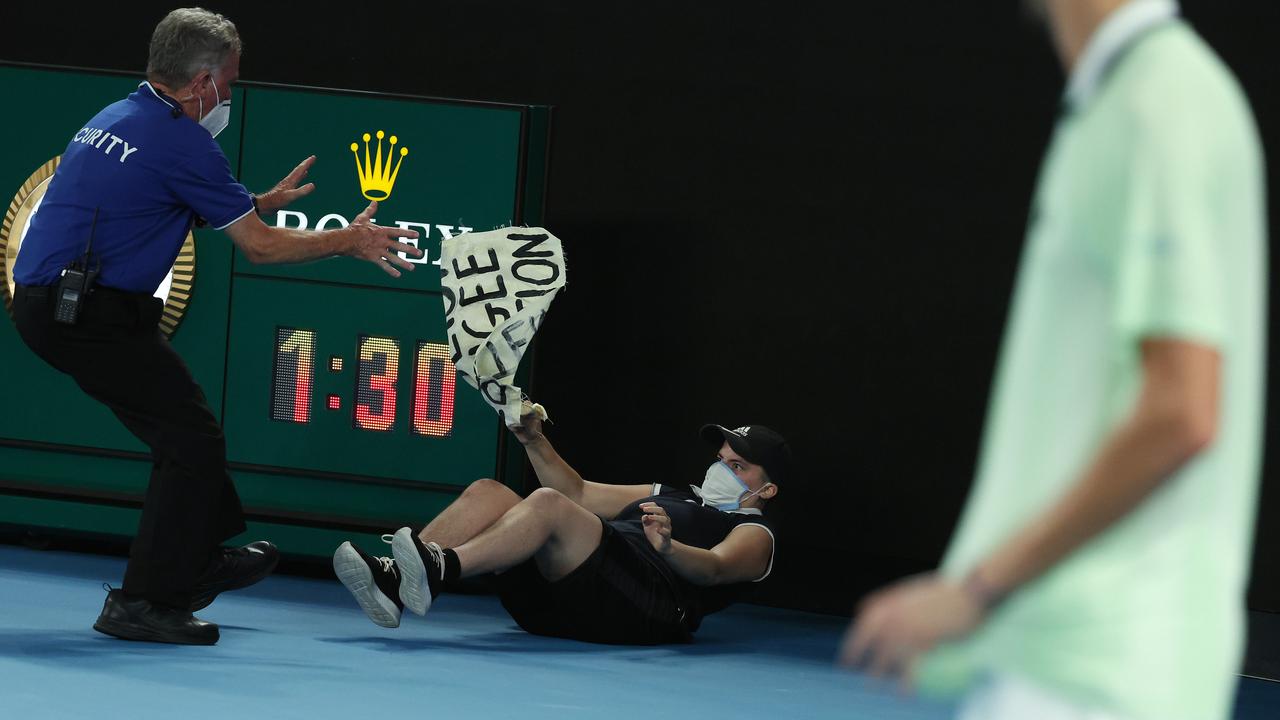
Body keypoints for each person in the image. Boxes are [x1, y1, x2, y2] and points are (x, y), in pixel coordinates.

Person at [842, 1, 1266, 719]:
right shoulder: (1118, 102)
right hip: (1063, 659)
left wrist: (977, 589)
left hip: (1106, 672)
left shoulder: (1162, 100)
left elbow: (1183, 410)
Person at [11, 7, 423, 646]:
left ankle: (193, 558)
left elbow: (146, 202)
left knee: (189, 432)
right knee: (190, 442)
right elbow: (259, 249)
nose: (229, 95)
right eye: (229, 82)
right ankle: (145, 601)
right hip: (86, 315)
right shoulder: (182, 139)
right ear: (201, 82)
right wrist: (349, 240)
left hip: (62, 306)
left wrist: (253, 204)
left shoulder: (120, 116)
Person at [333, 416, 791, 645]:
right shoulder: (672, 493)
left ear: (766, 489)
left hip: (641, 609)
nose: (722, 470)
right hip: (559, 602)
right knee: (491, 490)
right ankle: (395, 581)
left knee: (548, 506)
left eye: (738, 466)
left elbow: (713, 569)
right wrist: (535, 439)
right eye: (721, 459)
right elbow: (578, 491)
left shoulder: (756, 534)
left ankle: (440, 568)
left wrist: (669, 547)